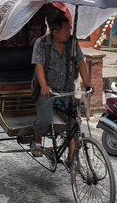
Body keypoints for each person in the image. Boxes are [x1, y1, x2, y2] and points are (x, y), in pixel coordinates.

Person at [30, 14, 92, 160]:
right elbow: (39, 66)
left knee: (74, 122)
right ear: (56, 32)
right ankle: (37, 140)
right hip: (48, 90)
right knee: (45, 120)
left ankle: (71, 159)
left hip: (68, 89)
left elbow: (80, 62)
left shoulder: (72, 43)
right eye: (66, 31)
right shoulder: (42, 43)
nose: (69, 33)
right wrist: (44, 86)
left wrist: (86, 82)